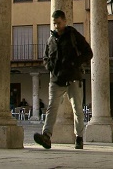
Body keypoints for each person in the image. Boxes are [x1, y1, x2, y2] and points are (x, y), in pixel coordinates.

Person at [34, 10, 93, 150]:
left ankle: (79, 137)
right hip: (56, 79)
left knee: (77, 109)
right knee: (51, 108)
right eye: (54, 23)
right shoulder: (51, 40)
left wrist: (75, 63)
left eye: (59, 23)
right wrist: (50, 67)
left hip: (73, 77)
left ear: (65, 21)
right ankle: (46, 136)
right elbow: (46, 58)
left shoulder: (74, 36)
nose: (56, 26)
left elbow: (89, 53)